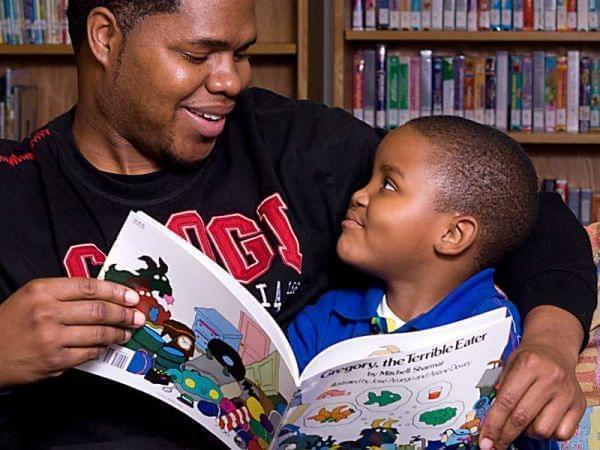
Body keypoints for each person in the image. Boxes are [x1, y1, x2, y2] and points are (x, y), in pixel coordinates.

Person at [0, 0, 594, 448]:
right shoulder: (16, 192)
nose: (231, 80)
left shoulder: (293, 140)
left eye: (241, 52)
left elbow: (517, 209)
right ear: (105, 37)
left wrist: (549, 345)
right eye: (197, 55)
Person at [287, 116, 553, 449]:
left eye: (387, 185)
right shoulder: (325, 320)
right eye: (367, 179)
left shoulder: (503, 340)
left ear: (452, 234)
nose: (358, 195)